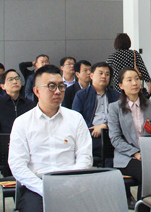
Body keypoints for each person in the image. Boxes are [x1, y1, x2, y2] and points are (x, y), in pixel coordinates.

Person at [9, 65, 92, 212]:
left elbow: (85, 157)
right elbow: (17, 165)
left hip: (72, 183)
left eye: (61, 86)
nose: (58, 91)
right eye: (51, 86)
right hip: (37, 186)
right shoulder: (22, 123)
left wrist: (69, 185)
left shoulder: (76, 119)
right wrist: (44, 189)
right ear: (37, 91)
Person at [108, 67, 151, 208]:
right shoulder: (114, 108)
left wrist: (149, 152)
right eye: (129, 80)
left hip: (149, 154)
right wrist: (135, 153)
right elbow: (115, 139)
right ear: (121, 85)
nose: (135, 83)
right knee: (147, 173)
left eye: (137, 79)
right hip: (127, 156)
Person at [72, 62, 120, 166]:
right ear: (92, 75)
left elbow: (120, 118)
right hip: (89, 134)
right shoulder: (81, 95)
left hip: (111, 134)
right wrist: (93, 129)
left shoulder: (116, 96)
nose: (104, 76)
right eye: (100, 73)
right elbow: (76, 118)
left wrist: (105, 126)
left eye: (107, 74)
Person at [0, 69, 35, 149]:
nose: (15, 82)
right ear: (3, 86)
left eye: (17, 78)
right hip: (4, 145)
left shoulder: (31, 105)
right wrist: (2, 142)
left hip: (28, 145)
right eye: (10, 79)